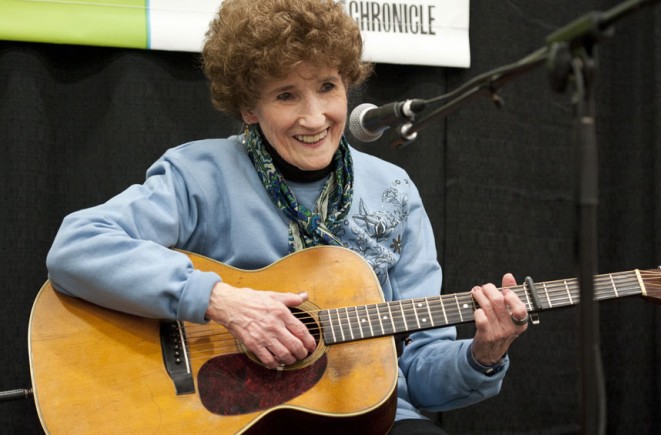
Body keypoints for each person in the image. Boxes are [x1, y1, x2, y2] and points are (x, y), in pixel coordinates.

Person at [45, 0, 529, 433]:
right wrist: (221, 301)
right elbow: (77, 246)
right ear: (249, 107)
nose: (315, 117)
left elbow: (422, 375)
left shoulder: (394, 191)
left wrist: (483, 356)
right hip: (234, 419)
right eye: (286, 95)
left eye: (327, 87)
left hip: (369, 418)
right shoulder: (200, 173)